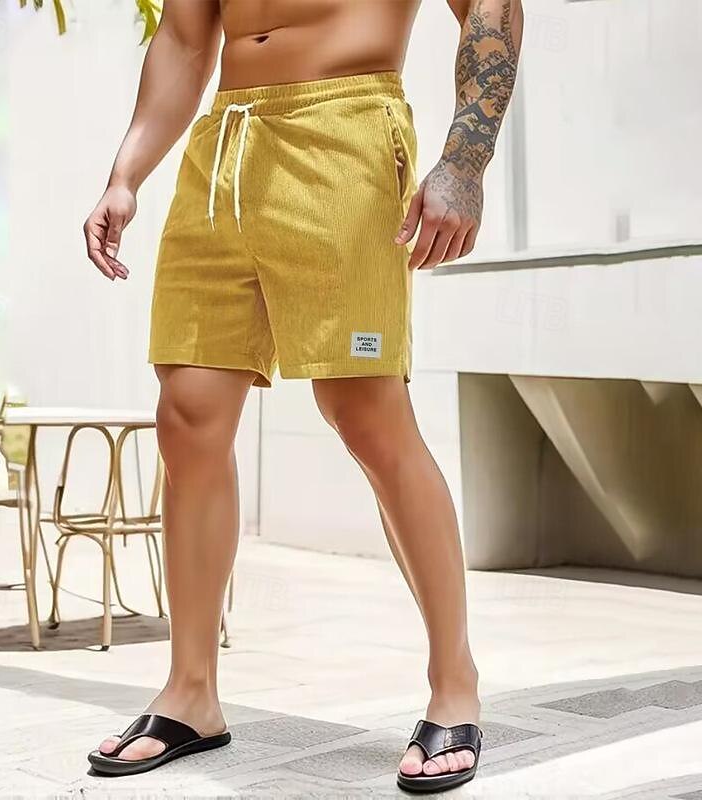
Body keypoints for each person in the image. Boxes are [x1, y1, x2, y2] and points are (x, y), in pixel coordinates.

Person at [83, 0, 522, 793]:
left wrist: (465, 160)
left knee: (366, 415)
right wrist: (126, 173)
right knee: (187, 416)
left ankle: (455, 683)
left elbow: (490, 8)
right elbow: (184, 39)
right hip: (223, 148)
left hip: (343, 133)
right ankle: (191, 693)